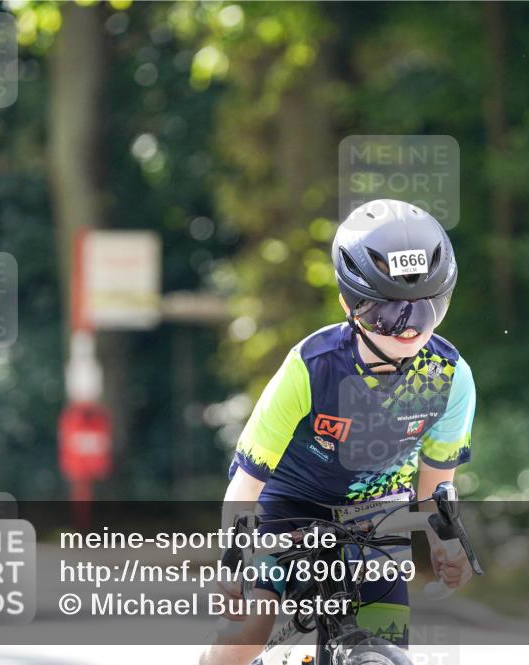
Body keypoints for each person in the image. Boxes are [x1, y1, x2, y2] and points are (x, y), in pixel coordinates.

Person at [199, 199, 477, 665]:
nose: (410, 331)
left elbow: (436, 488)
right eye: (391, 315)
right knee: (250, 624)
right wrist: (233, 558)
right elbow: (246, 482)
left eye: (427, 311)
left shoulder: (451, 378)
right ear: (351, 304)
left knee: (383, 650)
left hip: (377, 516)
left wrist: (447, 543)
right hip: (288, 506)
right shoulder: (310, 367)